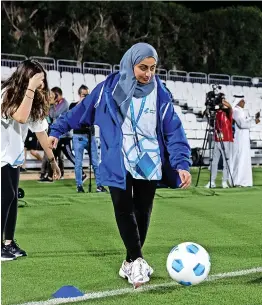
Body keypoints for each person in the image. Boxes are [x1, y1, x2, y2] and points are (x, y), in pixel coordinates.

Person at [48, 43, 192, 288]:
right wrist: (58, 129)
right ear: (130, 64)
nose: (148, 74)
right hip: (117, 158)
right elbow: (81, 110)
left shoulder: (161, 93)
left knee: (143, 211)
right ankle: (137, 260)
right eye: (142, 67)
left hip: (149, 160)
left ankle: (129, 261)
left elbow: (173, 130)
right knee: (123, 208)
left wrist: (182, 163)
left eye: (153, 68)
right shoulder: (108, 88)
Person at [1, 59, 61, 261]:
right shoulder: (6, 93)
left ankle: (8, 243)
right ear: (26, 78)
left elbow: (42, 134)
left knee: (13, 198)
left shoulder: (33, 99)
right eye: (38, 80)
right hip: (0, 156)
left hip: (12, 157)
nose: (42, 85)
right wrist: (30, 89)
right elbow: (19, 117)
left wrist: (53, 162)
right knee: (7, 195)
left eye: (42, 80)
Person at [69, 85, 107, 193]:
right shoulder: (73, 105)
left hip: (91, 136)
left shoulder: (92, 106)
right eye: (83, 95)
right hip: (78, 136)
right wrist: (81, 104)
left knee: (96, 162)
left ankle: (99, 186)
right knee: (78, 163)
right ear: (79, 95)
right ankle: (79, 186)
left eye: (87, 95)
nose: (86, 97)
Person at [205, 98, 234, 189]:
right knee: (214, 161)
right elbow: (211, 124)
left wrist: (224, 102)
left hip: (226, 139)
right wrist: (207, 113)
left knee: (226, 161)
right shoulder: (216, 113)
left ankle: (224, 181)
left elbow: (230, 108)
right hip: (216, 139)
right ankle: (212, 181)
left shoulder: (227, 113)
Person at [232, 94, 260, 187]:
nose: (244, 102)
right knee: (239, 159)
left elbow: (246, 122)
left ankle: (245, 181)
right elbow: (242, 124)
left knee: (244, 159)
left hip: (244, 139)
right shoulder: (236, 111)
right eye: (243, 101)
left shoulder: (242, 111)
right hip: (239, 139)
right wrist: (253, 121)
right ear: (238, 101)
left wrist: (254, 119)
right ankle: (237, 181)